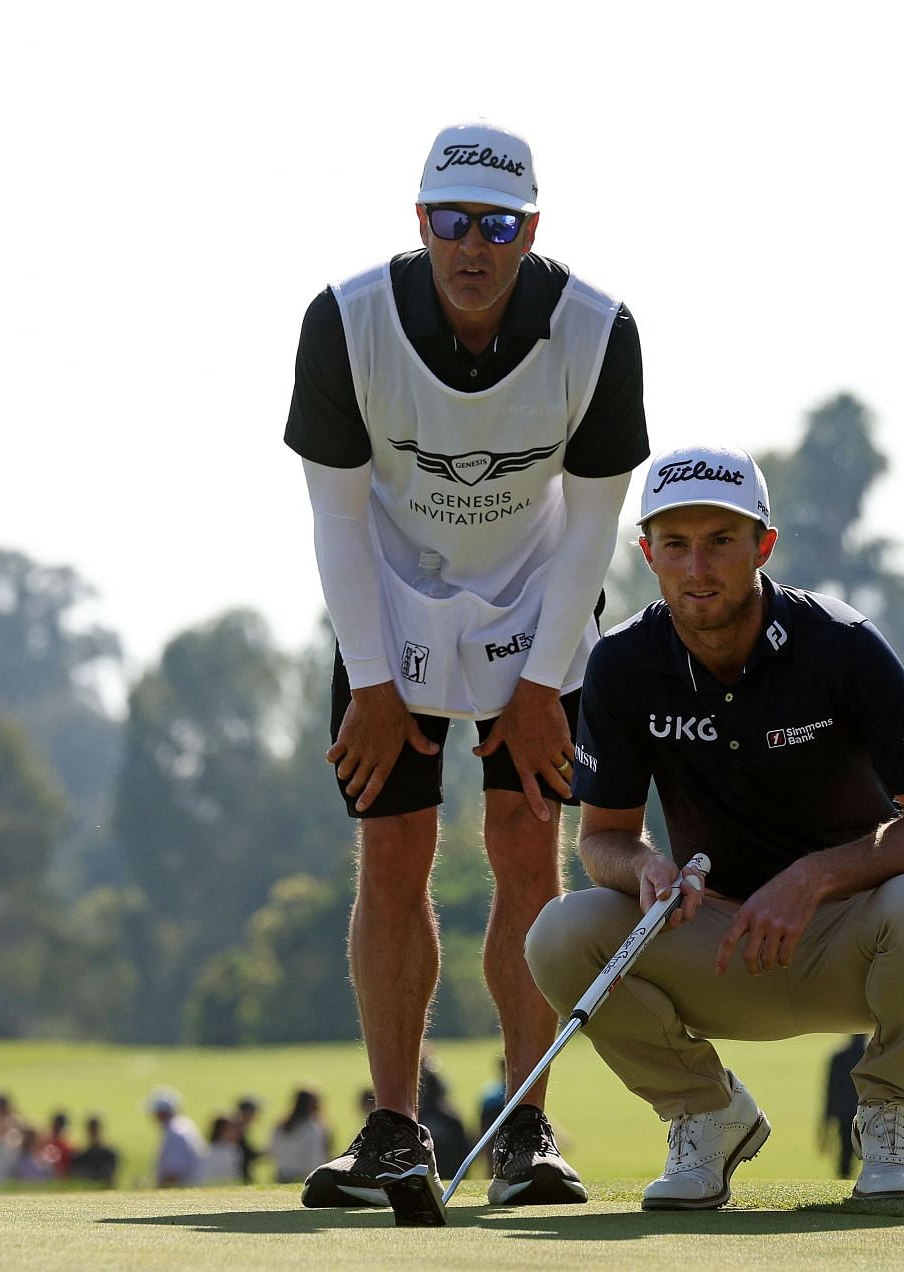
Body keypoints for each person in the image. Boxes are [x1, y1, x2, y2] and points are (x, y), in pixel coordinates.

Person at [286, 119, 647, 1212]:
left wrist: (543, 684)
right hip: (386, 588)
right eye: (453, 222)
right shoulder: (345, 322)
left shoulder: (596, 329)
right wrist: (375, 681)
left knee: (526, 846)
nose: (473, 247)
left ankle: (525, 1130)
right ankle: (395, 1129)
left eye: (496, 225)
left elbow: (594, 525)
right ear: (422, 224)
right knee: (393, 849)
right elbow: (336, 517)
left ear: (531, 230)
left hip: (536, 592)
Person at [524, 446, 904, 1210]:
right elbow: (600, 837)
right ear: (648, 554)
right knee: (561, 932)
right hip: (719, 941)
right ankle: (707, 1115)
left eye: (720, 542)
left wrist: (815, 876)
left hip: (854, 942)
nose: (696, 568)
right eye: (674, 545)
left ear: (763, 546)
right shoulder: (622, 665)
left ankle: (888, 1112)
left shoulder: (842, 643)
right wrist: (643, 869)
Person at [819, 1035, 866, 1179]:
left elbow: (830, 1092)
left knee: (845, 1159)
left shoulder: (839, 1058)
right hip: (870, 1114)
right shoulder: (873, 1057)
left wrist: (826, 1123)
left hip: (845, 1115)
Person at [269, 1088, 330, 1186]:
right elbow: (314, 1156)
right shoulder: (312, 1128)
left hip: (282, 1173)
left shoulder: (282, 1125)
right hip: (304, 1176)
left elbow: (272, 1148)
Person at [147, 1087, 204, 1188]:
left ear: (161, 1114)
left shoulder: (174, 1133)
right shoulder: (184, 1124)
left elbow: (174, 1173)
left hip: (186, 1187)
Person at [67, 1115, 119, 1187]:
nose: (94, 1133)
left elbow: (109, 1177)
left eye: (95, 1129)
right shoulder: (79, 1158)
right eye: (92, 1129)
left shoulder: (109, 1155)